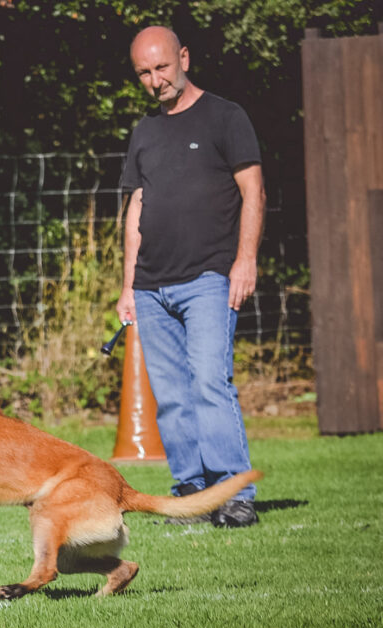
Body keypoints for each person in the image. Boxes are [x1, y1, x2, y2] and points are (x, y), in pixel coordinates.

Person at [116, 27, 266, 527]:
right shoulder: (145, 132)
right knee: (172, 395)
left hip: (209, 277)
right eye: (144, 73)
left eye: (162, 67)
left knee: (208, 382)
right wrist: (127, 285)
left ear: (183, 58)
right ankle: (190, 493)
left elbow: (254, 192)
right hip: (150, 286)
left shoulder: (227, 117)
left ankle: (234, 492)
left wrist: (245, 260)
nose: (155, 79)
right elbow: (137, 207)